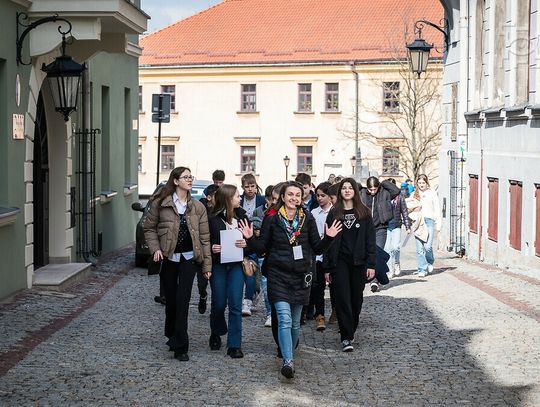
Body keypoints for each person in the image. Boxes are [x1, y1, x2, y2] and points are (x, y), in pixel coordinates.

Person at [239, 181, 342, 379]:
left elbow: (318, 248)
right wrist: (250, 238)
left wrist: (329, 237)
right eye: (290, 195)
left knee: (295, 323)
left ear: (302, 197)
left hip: (301, 276)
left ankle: (289, 354)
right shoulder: (272, 219)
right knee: (284, 319)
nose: (294, 198)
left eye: (297, 194)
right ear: (283, 197)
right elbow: (261, 249)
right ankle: (288, 361)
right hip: (278, 275)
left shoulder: (308, 219)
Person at [143, 166, 212, 362]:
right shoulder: (161, 203)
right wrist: (155, 248)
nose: (189, 180)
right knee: (171, 301)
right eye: (185, 177)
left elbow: (205, 238)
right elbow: (149, 228)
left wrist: (207, 267)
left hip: (190, 259)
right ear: (175, 181)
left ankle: (182, 345)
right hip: (169, 258)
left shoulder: (198, 207)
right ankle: (171, 333)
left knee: (183, 300)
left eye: (191, 177)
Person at [323, 178, 376, 352]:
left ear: (355, 191)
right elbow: (328, 242)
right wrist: (327, 267)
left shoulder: (364, 213)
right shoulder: (334, 213)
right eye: (343, 188)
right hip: (340, 262)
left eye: (349, 188)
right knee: (342, 298)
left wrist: (371, 264)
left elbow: (370, 240)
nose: (346, 190)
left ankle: (351, 327)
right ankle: (346, 336)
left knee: (356, 299)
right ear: (340, 192)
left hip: (359, 261)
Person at [208, 184, 250, 358]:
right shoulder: (213, 219)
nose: (240, 199)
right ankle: (216, 330)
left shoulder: (242, 217)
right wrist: (212, 248)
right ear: (228, 199)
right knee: (218, 303)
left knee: (235, 304)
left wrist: (246, 244)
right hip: (218, 265)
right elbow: (205, 241)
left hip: (236, 266)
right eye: (237, 196)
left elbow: (251, 241)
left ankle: (234, 344)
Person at [359, 176, 400, 292]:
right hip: (365, 229)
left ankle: (374, 281)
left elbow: (396, 191)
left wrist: (383, 183)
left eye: (374, 189)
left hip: (380, 228)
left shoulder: (384, 193)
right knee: (366, 254)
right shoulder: (362, 193)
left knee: (376, 253)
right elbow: (354, 188)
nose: (372, 192)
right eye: (370, 189)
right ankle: (365, 276)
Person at [307, 182, 333, 331]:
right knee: (318, 286)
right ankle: (320, 315)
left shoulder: (334, 211)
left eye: (323, 195)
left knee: (334, 286)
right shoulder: (314, 213)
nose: (319, 198)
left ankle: (336, 311)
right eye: (317, 195)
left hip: (331, 253)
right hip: (317, 254)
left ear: (330, 197)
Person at [239, 173, 265, 316]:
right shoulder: (239, 199)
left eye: (252, 186)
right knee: (248, 268)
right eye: (247, 186)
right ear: (243, 187)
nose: (250, 189)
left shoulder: (261, 200)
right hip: (242, 238)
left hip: (256, 238)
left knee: (257, 273)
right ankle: (247, 300)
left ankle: (254, 292)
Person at [408, 174, 440, 277]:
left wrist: (438, 224)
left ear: (427, 183)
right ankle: (422, 268)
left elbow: (437, 208)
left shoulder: (432, 193)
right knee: (419, 249)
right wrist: (413, 210)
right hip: (418, 222)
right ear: (417, 183)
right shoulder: (413, 194)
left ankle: (429, 262)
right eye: (419, 183)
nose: (421, 185)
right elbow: (408, 207)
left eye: (423, 183)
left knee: (428, 247)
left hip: (429, 221)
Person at [196, 183, 220, 314]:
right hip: (203, 252)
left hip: (216, 254)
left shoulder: (222, 212)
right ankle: (203, 296)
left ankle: (216, 309)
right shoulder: (201, 211)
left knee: (216, 286)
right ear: (209, 198)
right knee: (201, 283)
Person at [385, 178, 411, 278]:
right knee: (387, 249)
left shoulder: (400, 197)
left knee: (395, 247)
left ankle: (396, 262)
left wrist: (407, 226)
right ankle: (390, 270)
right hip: (386, 226)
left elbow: (404, 211)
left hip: (396, 225)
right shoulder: (384, 197)